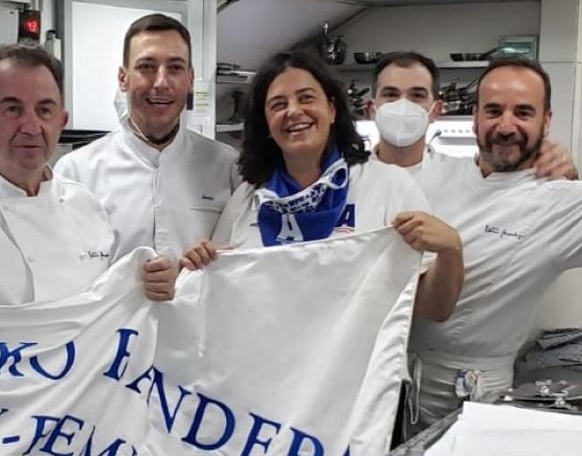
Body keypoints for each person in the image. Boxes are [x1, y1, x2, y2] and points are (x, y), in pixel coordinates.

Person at [404, 58, 582, 428]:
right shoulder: (436, 173)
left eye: (523, 112)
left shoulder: (563, 200)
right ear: (474, 117)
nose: (506, 125)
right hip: (396, 377)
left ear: (545, 122)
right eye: (493, 111)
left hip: (470, 394)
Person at [182, 51, 465, 324]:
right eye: (278, 105)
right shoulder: (248, 198)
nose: (293, 111)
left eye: (306, 98)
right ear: (267, 124)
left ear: (331, 110)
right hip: (266, 366)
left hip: (357, 371)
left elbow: (433, 309)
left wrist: (451, 250)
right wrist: (197, 264)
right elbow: (218, 291)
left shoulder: (388, 186)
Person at [0, 44, 177, 305]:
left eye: (44, 110)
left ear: (61, 122)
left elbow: (109, 294)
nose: (31, 126)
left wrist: (150, 279)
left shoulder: (84, 204)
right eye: (13, 109)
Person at [54, 14, 239, 258]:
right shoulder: (77, 174)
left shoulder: (227, 167)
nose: (161, 82)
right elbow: (63, 268)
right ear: (123, 79)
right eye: (146, 67)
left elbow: (242, 263)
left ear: (190, 79)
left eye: (175, 68)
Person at [366, 51, 578, 182]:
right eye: (391, 94)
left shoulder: (465, 176)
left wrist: (562, 167)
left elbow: (508, 163)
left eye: (417, 95)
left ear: (437, 110)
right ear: (372, 109)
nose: (403, 105)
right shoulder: (345, 177)